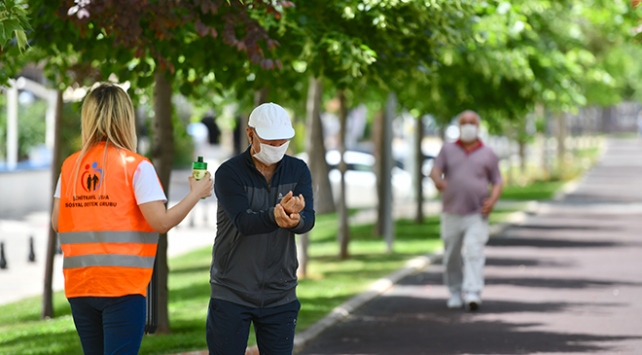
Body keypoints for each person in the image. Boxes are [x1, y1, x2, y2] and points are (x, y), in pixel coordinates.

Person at [51, 83, 213, 354]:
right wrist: (196, 194)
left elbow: (58, 222)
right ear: (126, 118)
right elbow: (160, 222)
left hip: (80, 286)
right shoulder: (136, 166)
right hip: (122, 289)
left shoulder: (71, 166)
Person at [207, 102, 315, 354]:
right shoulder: (229, 173)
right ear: (250, 134)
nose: (277, 148)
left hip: (281, 291)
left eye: (282, 142)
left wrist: (297, 219)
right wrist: (275, 216)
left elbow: (308, 218)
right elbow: (244, 222)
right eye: (270, 142)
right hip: (231, 291)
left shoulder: (298, 170)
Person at [429, 110, 503, 311]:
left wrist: (493, 201)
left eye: (472, 122)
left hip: (477, 213)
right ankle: (454, 291)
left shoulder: (488, 153)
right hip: (451, 212)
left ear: (478, 126)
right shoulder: (447, 149)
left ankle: (473, 291)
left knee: (474, 251)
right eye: (464, 122)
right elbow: (435, 170)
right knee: (451, 254)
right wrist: (438, 180)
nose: (468, 125)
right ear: (459, 125)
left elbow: (497, 181)